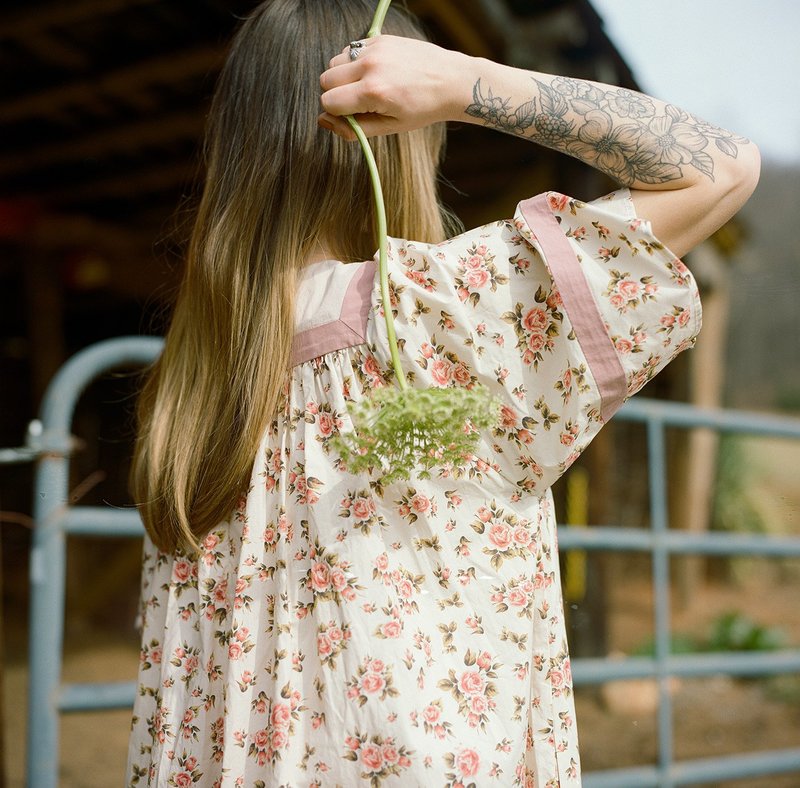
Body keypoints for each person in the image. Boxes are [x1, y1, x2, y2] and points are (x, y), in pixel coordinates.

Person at [126, 0, 760, 785]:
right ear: (402, 141)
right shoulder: (441, 319)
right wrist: (468, 84)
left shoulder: (193, 389)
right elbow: (722, 166)